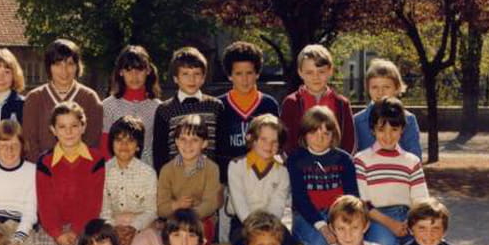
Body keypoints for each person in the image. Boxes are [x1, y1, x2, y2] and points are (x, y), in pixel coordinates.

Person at [33, 101, 106, 245]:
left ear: (83, 127)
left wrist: (75, 230)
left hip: (83, 225)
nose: (69, 132)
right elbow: (45, 203)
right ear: (53, 130)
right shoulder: (45, 161)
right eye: (62, 127)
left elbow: (93, 203)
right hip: (51, 226)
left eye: (74, 126)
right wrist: (57, 232)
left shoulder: (96, 159)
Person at [287, 106, 358, 245]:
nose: (320, 138)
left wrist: (338, 225)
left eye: (326, 133)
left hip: (338, 216)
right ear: (304, 134)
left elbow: (352, 197)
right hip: (307, 217)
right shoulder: (296, 159)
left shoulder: (343, 159)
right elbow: (300, 199)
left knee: (351, 243)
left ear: (333, 135)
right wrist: (323, 227)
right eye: (314, 133)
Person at [100, 116, 165, 245]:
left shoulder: (147, 173)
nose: (124, 145)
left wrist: (132, 227)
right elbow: (103, 208)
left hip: (141, 227)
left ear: (138, 146)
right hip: (111, 227)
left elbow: (151, 210)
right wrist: (114, 228)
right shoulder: (103, 171)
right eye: (119, 139)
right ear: (111, 143)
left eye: (130, 140)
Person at [354, 97, 429, 245]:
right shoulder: (361, 160)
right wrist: (391, 223)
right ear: (372, 130)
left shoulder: (411, 161)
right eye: (381, 130)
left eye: (394, 129)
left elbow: (420, 199)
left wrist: (411, 223)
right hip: (376, 218)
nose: (388, 136)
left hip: (409, 217)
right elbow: (363, 203)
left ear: (402, 129)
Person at [226, 114, 294, 245]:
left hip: (271, 222)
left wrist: (267, 229)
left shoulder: (282, 171)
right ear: (252, 139)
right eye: (263, 140)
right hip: (243, 222)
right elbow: (240, 203)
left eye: (274, 142)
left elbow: (277, 205)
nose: (268, 146)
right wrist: (255, 229)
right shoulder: (236, 166)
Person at [22, 38, 102, 162]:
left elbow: (93, 141)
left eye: (70, 64)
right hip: (42, 169)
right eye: (57, 64)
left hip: (80, 168)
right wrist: (44, 167)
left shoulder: (90, 98)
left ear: (77, 66)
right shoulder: (34, 98)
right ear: (49, 67)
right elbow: (30, 142)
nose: (64, 70)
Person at [216, 41, 280, 182]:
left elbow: (277, 145)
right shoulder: (218, 106)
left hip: (263, 178)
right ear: (229, 75)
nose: (244, 79)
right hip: (228, 180)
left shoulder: (269, 105)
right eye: (238, 73)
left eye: (249, 73)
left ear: (257, 74)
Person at [152, 47, 223, 172]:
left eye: (197, 74)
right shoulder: (165, 110)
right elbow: (159, 153)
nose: (192, 79)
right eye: (185, 74)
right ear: (176, 78)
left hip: (209, 178)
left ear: (203, 77)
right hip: (176, 178)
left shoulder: (215, 106)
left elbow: (222, 147)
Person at [157, 114, 222, 245]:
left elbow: (210, 204)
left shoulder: (211, 169)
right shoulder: (167, 170)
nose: (188, 144)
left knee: (196, 233)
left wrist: (188, 219)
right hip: (174, 221)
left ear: (204, 143)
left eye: (195, 140)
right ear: (176, 141)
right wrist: (176, 205)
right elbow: (161, 208)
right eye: (183, 139)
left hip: (202, 221)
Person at [280, 44, 355, 156]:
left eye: (321, 72)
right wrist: (297, 162)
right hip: (300, 164)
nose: (316, 77)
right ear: (300, 72)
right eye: (309, 72)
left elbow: (349, 141)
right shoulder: (291, 103)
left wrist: (339, 162)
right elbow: (286, 141)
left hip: (335, 164)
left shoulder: (341, 103)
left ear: (330, 71)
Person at [100, 45, 162, 167]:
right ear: (121, 72)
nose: (134, 75)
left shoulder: (158, 107)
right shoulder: (108, 106)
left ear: (148, 71)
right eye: (128, 70)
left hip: (148, 170)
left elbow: (159, 148)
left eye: (140, 69)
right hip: (115, 171)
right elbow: (104, 146)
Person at [354, 58, 421, 158]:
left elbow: (415, 157)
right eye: (375, 87)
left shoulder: (409, 119)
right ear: (368, 89)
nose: (380, 92)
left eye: (386, 87)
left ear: (397, 88)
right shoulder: (357, 120)